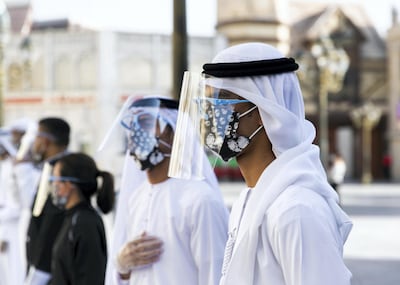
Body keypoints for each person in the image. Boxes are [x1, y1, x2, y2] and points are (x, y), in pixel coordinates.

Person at [170, 42, 353, 285]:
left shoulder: (296, 211)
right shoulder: (249, 201)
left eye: (220, 102)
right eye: (206, 105)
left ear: (262, 113)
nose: (209, 116)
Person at [107, 95, 229, 285]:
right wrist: (123, 267)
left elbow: (215, 277)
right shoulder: (136, 198)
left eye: (147, 123)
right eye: (133, 125)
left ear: (175, 135)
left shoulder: (200, 200)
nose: (137, 133)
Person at [48, 152, 115, 284]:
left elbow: (90, 277)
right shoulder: (72, 217)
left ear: (69, 184)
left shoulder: (84, 222)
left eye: (55, 179)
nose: (52, 185)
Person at [25, 117, 70, 285]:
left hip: (51, 272)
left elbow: (52, 223)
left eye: (37, 137)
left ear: (44, 140)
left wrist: (38, 275)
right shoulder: (50, 167)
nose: (35, 143)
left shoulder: (60, 172)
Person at [0, 119, 40, 285]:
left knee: (17, 271)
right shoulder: (11, 167)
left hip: (17, 228)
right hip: (9, 226)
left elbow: (21, 204)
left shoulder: (26, 170)